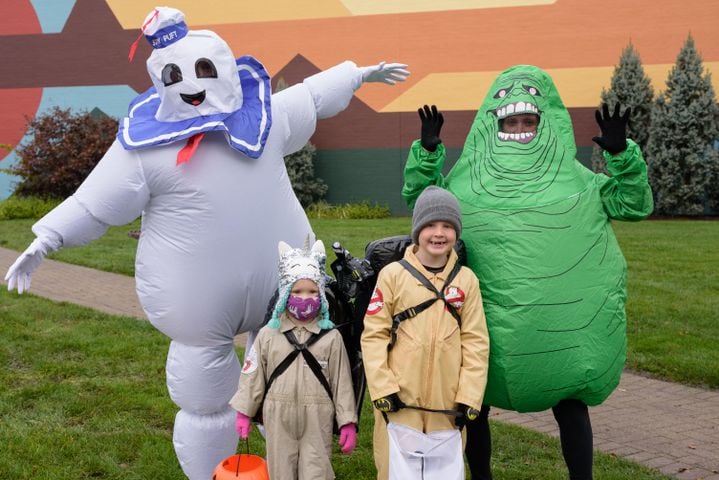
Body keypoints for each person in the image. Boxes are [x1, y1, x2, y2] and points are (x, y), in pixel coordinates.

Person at [3, 6, 408, 479]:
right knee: (203, 394)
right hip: (200, 300)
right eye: (173, 76)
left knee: (295, 371)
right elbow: (95, 201)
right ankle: (213, 470)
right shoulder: (147, 146)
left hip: (287, 283)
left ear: (223, 68)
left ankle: (289, 457)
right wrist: (45, 239)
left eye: (201, 70)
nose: (190, 84)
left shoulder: (262, 118)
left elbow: (310, 97)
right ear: (160, 81)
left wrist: (356, 74)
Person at [403, 65, 654, 480]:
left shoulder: (578, 183)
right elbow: (423, 204)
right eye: (510, 119)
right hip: (483, 330)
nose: (519, 126)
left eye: (529, 119)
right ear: (493, 122)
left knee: (570, 405)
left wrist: (622, 155)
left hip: (558, 333)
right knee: (474, 404)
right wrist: (428, 154)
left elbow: (634, 204)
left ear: (547, 121)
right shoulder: (467, 182)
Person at [361, 186, 490, 480]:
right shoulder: (393, 276)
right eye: (430, 225)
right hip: (398, 403)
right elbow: (373, 336)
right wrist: (382, 389)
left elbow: (476, 342)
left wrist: (470, 396)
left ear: (456, 233)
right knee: (395, 470)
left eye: (447, 226)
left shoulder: (467, 281)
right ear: (417, 229)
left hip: (448, 406)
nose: (438, 233)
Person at [230, 238, 357, 480]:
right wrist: (244, 412)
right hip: (278, 413)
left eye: (312, 291)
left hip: (317, 415)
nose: (305, 298)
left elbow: (342, 384)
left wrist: (347, 421)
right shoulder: (268, 335)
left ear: (321, 295)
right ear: (285, 293)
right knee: (280, 471)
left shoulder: (331, 337)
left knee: (317, 470)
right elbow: (253, 374)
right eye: (297, 291)